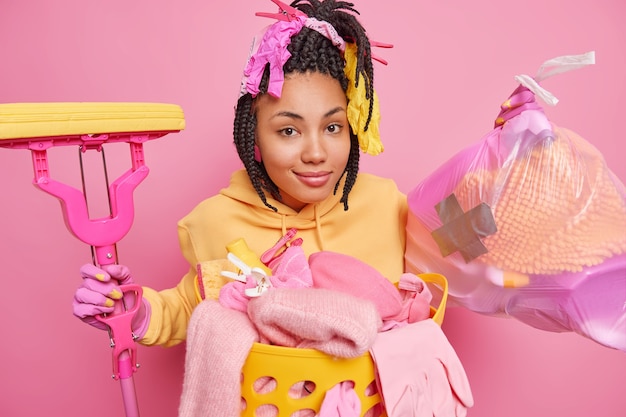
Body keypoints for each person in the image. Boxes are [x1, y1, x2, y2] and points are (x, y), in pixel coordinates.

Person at [73, 0, 408, 413]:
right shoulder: (214, 221)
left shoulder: (388, 205)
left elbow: (468, 250)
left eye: (333, 127)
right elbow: (189, 307)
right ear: (254, 138)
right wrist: (135, 311)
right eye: (289, 130)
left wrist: (506, 148)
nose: (317, 153)